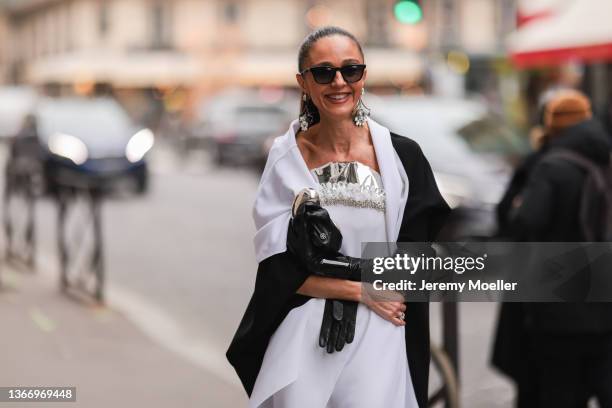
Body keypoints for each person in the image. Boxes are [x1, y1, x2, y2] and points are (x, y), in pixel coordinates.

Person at [226, 26, 449, 408]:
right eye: (324, 72)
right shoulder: (286, 160)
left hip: (382, 332)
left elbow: (418, 260)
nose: (339, 82)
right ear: (304, 82)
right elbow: (278, 274)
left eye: (351, 69)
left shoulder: (403, 158)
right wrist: (359, 289)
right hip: (305, 339)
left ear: (364, 75)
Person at [492, 89, 612, 407]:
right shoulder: (605, 160)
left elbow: (525, 222)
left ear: (551, 124)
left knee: (558, 386)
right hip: (602, 295)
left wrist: (518, 206)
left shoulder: (550, 165)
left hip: (558, 302)